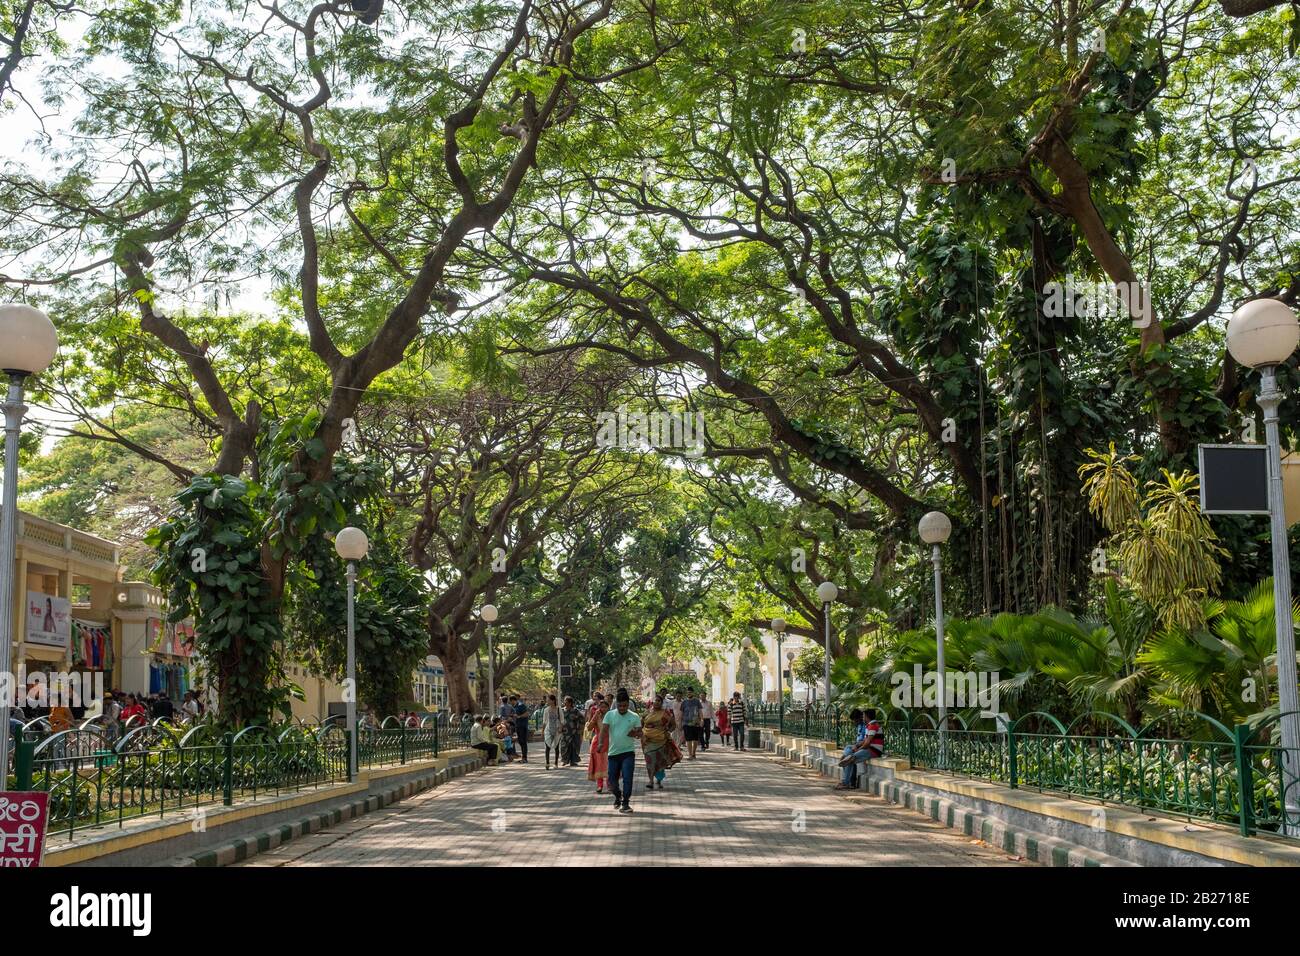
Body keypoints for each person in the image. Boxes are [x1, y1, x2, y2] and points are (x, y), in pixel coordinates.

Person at [600, 688, 643, 814]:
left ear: (628, 704)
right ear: (616, 704)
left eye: (624, 705)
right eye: (620, 705)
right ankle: (618, 796)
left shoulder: (634, 716)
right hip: (613, 753)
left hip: (628, 753)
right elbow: (604, 730)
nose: (622, 708)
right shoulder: (610, 714)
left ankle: (626, 803)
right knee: (612, 781)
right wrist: (601, 743)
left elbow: (640, 733)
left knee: (627, 777)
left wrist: (635, 733)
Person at [836, 708, 885, 790]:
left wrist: (858, 750)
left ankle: (845, 783)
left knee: (849, 759)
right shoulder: (870, 725)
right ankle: (845, 782)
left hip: (873, 751)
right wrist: (856, 745)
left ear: (867, 716)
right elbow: (865, 741)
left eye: (864, 716)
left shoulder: (873, 726)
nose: (863, 718)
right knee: (848, 758)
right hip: (869, 749)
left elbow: (867, 743)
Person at [640, 693, 681, 790]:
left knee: (659, 761)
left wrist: (668, 731)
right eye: (655, 701)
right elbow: (641, 725)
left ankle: (659, 780)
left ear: (661, 703)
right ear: (652, 702)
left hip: (661, 740)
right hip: (647, 741)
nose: (657, 702)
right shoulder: (647, 712)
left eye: (659, 701)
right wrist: (642, 734)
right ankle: (650, 781)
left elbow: (673, 725)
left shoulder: (665, 713)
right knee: (649, 761)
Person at [586, 696, 609, 793]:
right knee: (599, 764)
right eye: (601, 707)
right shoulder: (597, 715)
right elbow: (589, 728)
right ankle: (599, 785)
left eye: (605, 707)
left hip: (609, 741)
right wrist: (594, 717)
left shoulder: (612, 716)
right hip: (597, 742)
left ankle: (609, 785)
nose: (603, 709)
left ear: (608, 708)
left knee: (608, 764)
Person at [680, 687, 703, 759]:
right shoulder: (684, 702)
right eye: (688, 692)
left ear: (693, 693)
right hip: (686, 723)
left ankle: (694, 753)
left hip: (696, 723)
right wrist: (681, 723)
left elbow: (700, 711)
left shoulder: (697, 701)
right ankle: (690, 754)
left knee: (695, 739)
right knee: (688, 739)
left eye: (690, 692)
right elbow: (681, 713)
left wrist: (702, 719)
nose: (689, 693)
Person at [561, 696, 584, 766]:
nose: (565, 703)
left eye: (567, 702)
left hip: (574, 732)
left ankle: (573, 761)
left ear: (570, 703)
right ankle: (564, 760)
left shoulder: (575, 711)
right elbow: (558, 720)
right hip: (564, 732)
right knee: (564, 746)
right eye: (564, 701)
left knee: (573, 747)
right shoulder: (561, 711)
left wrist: (579, 729)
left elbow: (582, 719)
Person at [541, 694, 562, 769]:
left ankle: (556, 763)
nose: (547, 701)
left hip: (557, 730)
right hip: (548, 730)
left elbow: (562, 720)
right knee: (547, 747)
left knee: (556, 747)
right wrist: (542, 731)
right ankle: (547, 763)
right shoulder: (546, 710)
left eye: (548, 699)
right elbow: (544, 721)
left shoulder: (559, 709)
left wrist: (560, 728)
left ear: (553, 700)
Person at [510, 695, 531, 763]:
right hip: (518, 726)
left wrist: (519, 716)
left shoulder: (521, 705)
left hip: (523, 726)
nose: (511, 703)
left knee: (523, 742)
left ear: (513, 700)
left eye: (511, 701)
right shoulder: (514, 707)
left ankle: (524, 758)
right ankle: (523, 757)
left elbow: (527, 714)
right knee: (520, 741)